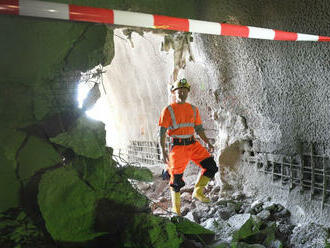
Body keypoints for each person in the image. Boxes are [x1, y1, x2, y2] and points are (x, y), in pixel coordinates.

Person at [158, 78, 218, 215]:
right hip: (177, 148)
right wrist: (162, 151)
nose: (182, 93)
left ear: (188, 92)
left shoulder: (193, 109)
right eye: (179, 91)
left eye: (185, 91)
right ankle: (176, 210)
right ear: (174, 92)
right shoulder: (168, 110)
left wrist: (207, 142)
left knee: (211, 166)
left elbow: (199, 129)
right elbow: (161, 132)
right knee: (176, 180)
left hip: (193, 144)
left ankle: (198, 191)